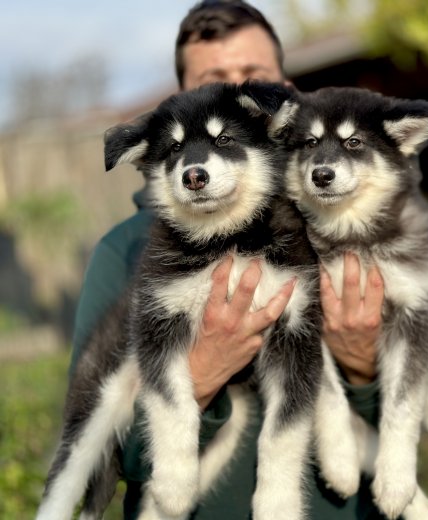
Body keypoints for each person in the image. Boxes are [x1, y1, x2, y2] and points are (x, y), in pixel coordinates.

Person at [70, 1, 385, 518]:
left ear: (284, 91)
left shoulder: (343, 219)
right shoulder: (124, 250)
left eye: (254, 78)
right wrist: (200, 375)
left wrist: (363, 365)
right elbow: (96, 445)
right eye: (215, 80)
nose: (238, 94)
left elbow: (415, 410)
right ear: (184, 101)